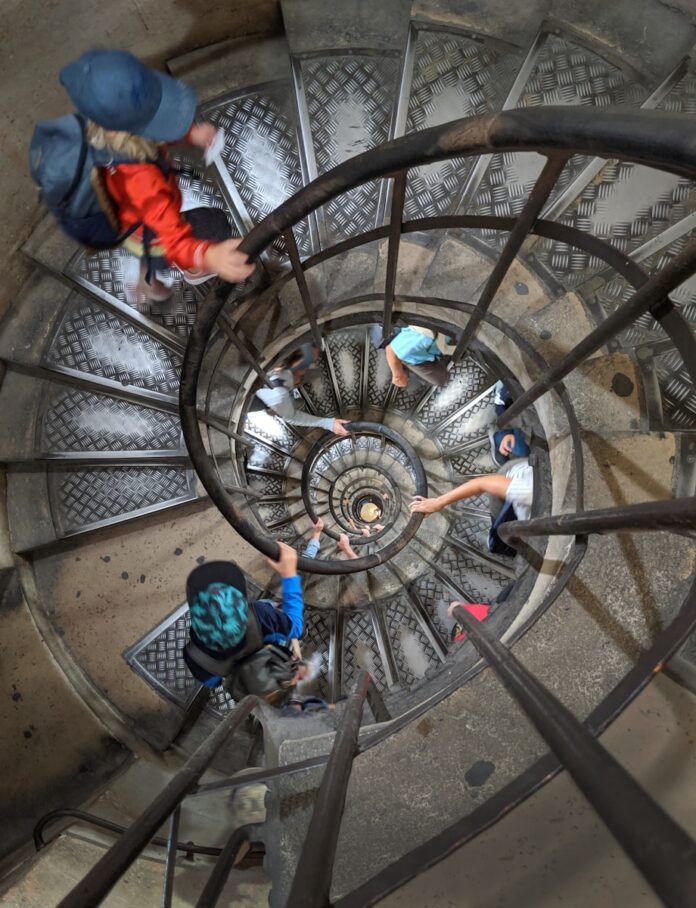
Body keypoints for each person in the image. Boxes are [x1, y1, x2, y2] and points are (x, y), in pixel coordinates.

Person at [58, 49, 254, 300]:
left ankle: (146, 282)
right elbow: (172, 239)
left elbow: (152, 132)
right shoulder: (144, 182)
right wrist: (207, 256)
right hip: (153, 232)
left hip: (135, 228)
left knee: (147, 252)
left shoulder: (107, 140)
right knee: (213, 225)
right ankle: (190, 272)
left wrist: (189, 135)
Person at [182, 542, 311, 703]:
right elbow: (297, 627)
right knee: (275, 610)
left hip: (245, 684)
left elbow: (213, 683)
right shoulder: (262, 614)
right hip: (272, 659)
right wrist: (289, 575)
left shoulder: (193, 656)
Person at [248, 344, 350, 435]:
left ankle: (285, 404)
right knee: (293, 404)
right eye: (308, 363)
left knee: (296, 400)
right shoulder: (279, 393)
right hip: (271, 399)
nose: (309, 367)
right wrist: (329, 424)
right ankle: (283, 406)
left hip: (270, 394)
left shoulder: (275, 365)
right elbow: (291, 417)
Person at [410, 459, 534, 523]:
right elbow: (481, 483)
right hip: (511, 475)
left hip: (521, 491)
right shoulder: (527, 492)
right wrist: (438, 502)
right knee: (499, 522)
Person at [385, 325, 455, 388]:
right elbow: (391, 350)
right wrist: (398, 374)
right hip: (424, 333)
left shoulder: (422, 337)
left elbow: (390, 350)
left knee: (441, 379)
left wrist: (398, 376)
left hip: (427, 335)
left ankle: (404, 363)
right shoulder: (420, 337)